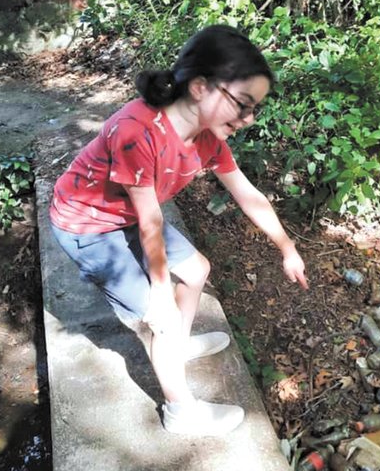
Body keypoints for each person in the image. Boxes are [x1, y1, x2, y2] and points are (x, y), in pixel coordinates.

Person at [49, 24, 308, 437]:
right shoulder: (137, 130)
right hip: (88, 225)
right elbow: (150, 220)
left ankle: (178, 345)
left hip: (126, 216)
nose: (250, 118)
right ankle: (179, 411)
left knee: (197, 270)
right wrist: (159, 293)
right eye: (243, 104)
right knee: (162, 315)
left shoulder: (207, 139)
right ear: (201, 87)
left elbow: (246, 192)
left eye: (254, 107)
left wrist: (286, 245)